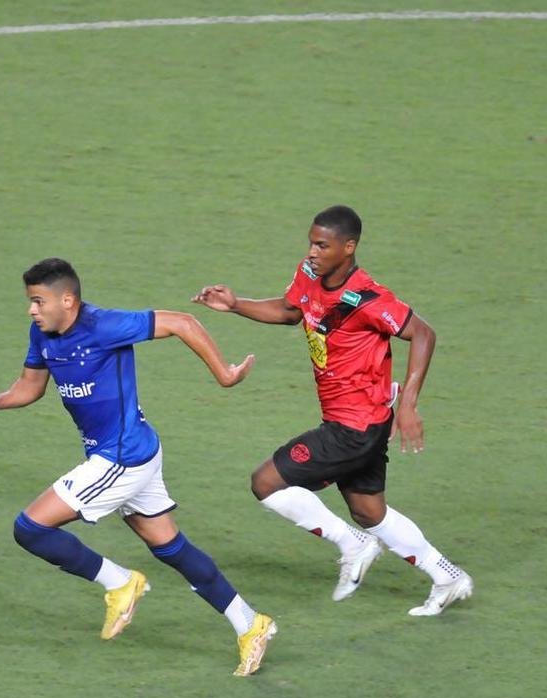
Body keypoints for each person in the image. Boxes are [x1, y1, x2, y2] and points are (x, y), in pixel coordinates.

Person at [0, 257, 277, 675]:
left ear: (68, 300)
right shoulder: (42, 334)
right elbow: (30, 386)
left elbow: (182, 322)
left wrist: (224, 375)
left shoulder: (103, 326)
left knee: (30, 529)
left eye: (39, 301)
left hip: (122, 458)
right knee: (171, 548)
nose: (32, 310)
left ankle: (119, 582)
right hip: (131, 453)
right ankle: (250, 624)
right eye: (31, 302)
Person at [192, 205, 473, 616]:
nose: (312, 251)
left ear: (348, 247)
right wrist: (236, 305)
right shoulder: (309, 275)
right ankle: (448, 577)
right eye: (310, 242)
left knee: (266, 482)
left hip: (354, 426)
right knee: (368, 510)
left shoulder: (370, 298)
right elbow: (292, 312)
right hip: (361, 419)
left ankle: (352, 545)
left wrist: (410, 402)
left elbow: (423, 334)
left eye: (322, 245)